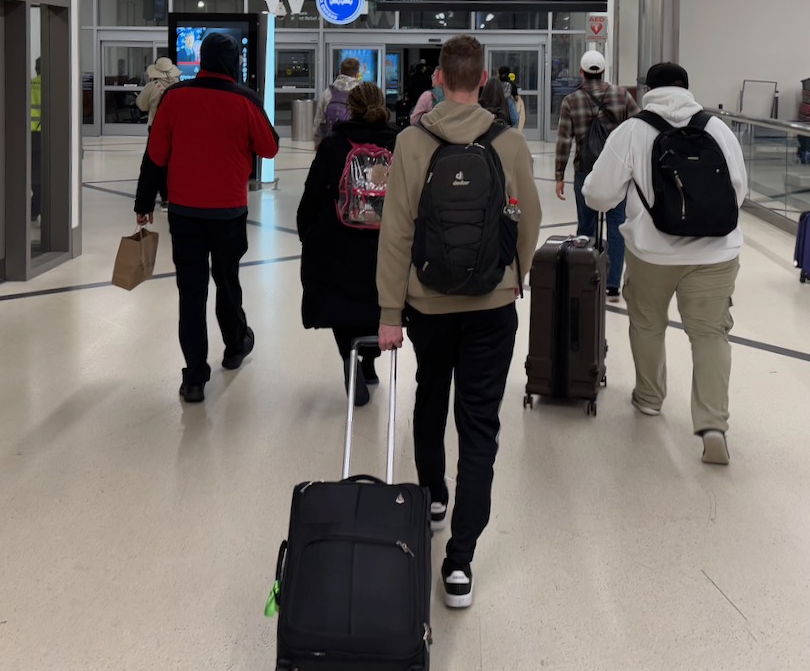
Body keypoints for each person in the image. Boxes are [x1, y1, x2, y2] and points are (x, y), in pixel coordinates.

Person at [376, 34, 541, 612]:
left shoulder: (412, 142)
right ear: (486, 77)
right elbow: (528, 220)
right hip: (492, 305)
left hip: (428, 304)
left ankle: (433, 499)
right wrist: (512, 276)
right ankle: (461, 563)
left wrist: (390, 314)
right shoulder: (510, 141)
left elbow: (396, 233)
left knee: (430, 397)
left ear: (439, 79)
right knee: (480, 426)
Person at [582, 62, 747, 466]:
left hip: (653, 252)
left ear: (646, 90)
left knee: (648, 323)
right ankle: (712, 426)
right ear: (688, 89)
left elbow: (599, 196)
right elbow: (737, 191)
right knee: (710, 335)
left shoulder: (634, 130)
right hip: (716, 253)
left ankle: (650, 399)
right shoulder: (718, 129)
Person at [136, 33, 279, 404]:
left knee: (191, 292)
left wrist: (143, 202)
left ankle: (195, 378)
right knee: (227, 280)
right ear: (233, 62)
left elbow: (155, 155)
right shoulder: (244, 100)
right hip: (228, 212)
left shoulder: (175, 97)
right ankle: (234, 346)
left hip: (184, 212)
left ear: (201, 59)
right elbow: (270, 146)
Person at [297, 82, 397, 407]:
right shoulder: (398, 142)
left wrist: (305, 228)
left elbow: (314, 191)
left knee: (340, 304)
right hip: (384, 243)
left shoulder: (335, 143)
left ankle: (349, 360)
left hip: (338, 240)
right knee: (376, 302)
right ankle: (368, 363)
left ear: (350, 108)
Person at [554, 50, 639, 301]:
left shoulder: (571, 100)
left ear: (581, 71)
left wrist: (559, 173)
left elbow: (563, 141)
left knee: (586, 224)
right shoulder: (621, 95)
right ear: (604, 71)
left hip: (585, 170)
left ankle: (586, 276)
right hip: (617, 171)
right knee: (616, 223)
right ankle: (613, 284)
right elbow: (637, 127)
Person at [314, 56, 362, 145]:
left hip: (332, 141)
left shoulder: (328, 92)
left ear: (340, 72)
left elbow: (319, 120)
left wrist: (317, 142)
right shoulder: (362, 92)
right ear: (357, 73)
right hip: (356, 143)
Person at [30, 57, 43, 223]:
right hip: (46, 134)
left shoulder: (29, 84)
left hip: (29, 135)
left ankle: (34, 209)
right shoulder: (52, 84)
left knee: (34, 173)